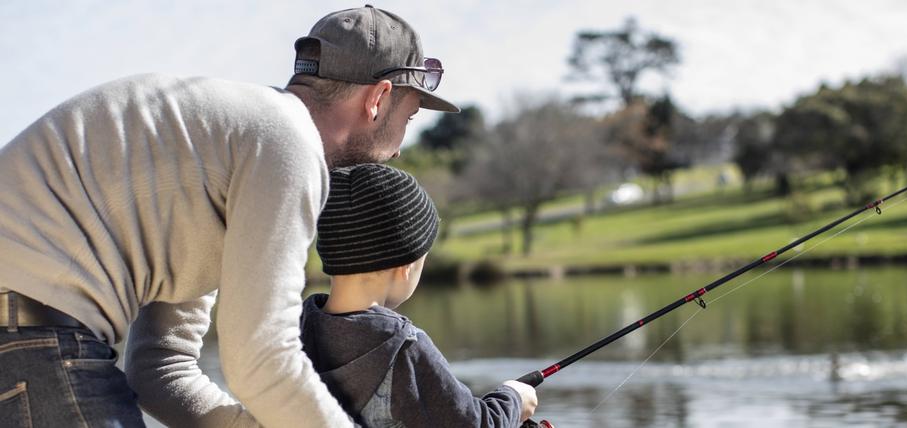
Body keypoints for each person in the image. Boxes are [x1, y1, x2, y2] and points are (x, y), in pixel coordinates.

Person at [0, 5, 457, 427]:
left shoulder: (227, 146)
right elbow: (262, 358)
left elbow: (162, 367)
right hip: (32, 335)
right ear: (377, 99)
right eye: (409, 117)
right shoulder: (286, 144)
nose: (399, 148)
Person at [300, 164, 538, 427]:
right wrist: (514, 399)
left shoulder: (294, 335)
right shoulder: (403, 347)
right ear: (404, 267)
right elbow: (475, 424)